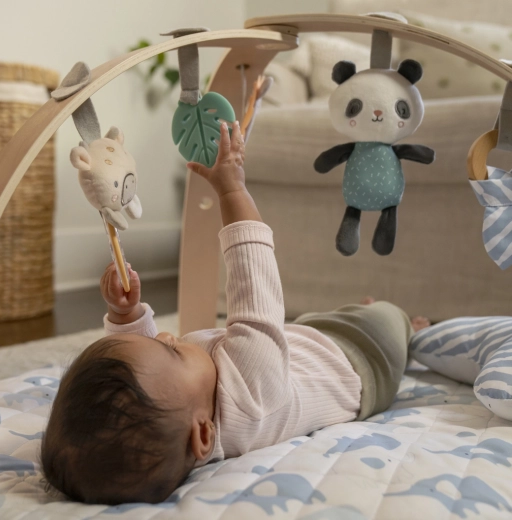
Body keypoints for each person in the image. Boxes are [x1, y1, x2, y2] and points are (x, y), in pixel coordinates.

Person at [41, 121, 427, 505]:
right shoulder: (249, 399)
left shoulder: (183, 412)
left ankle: (363, 314)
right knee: (386, 317)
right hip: (365, 356)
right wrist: (232, 191)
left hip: (304, 344)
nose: (166, 336)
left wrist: (125, 315)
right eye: (172, 351)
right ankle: (408, 327)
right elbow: (254, 282)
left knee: (302, 326)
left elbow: (141, 366)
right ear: (203, 434)